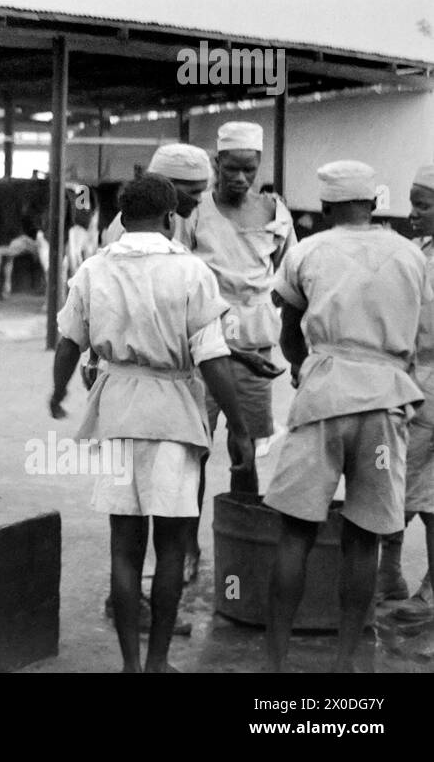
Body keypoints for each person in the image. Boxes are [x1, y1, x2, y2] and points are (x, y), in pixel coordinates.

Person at [50, 174, 248, 672]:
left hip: (116, 410)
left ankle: (131, 667)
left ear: (122, 214)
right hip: (174, 417)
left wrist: (58, 390)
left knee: (124, 547)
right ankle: (159, 664)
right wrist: (240, 424)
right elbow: (212, 359)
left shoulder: (94, 269)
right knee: (172, 547)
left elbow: (69, 343)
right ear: (169, 218)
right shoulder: (191, 272)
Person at [264, 161, 430, 672]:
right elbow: (418, 330)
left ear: (327, 206)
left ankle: (275, 662)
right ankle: (347, 662)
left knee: (295, 535)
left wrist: (300, 368)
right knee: (364, 540)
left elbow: (289, 330)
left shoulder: (306, 251)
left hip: (324, 398)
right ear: (375, 203)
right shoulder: (410, 255)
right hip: (384, 403)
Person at [176, 120, 294, 579]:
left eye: (250, 168)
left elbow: (290, 276)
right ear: (216, 163)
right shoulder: (195, 212)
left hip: (255, 352)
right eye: (231, 168)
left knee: (245, 450)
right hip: (204, 348)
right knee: (195, 452)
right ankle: (187, 547)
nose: (241, 178)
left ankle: (244, 544)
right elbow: (180, 277)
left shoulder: (274, 210)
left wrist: (272, 320)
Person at [378, 164, 434, 618]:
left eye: (424, 205)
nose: (413, 213)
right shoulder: (418, 251)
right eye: (413, 202)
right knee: (395, 482)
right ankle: (388, 575)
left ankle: (430, 587)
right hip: (410, 378)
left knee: (429, 491)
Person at [100, 143, 212, 245]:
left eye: (202, 192)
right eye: (193, 192)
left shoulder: (182, 218)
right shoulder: (136, 225)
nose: (199, 200)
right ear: (165, 185)